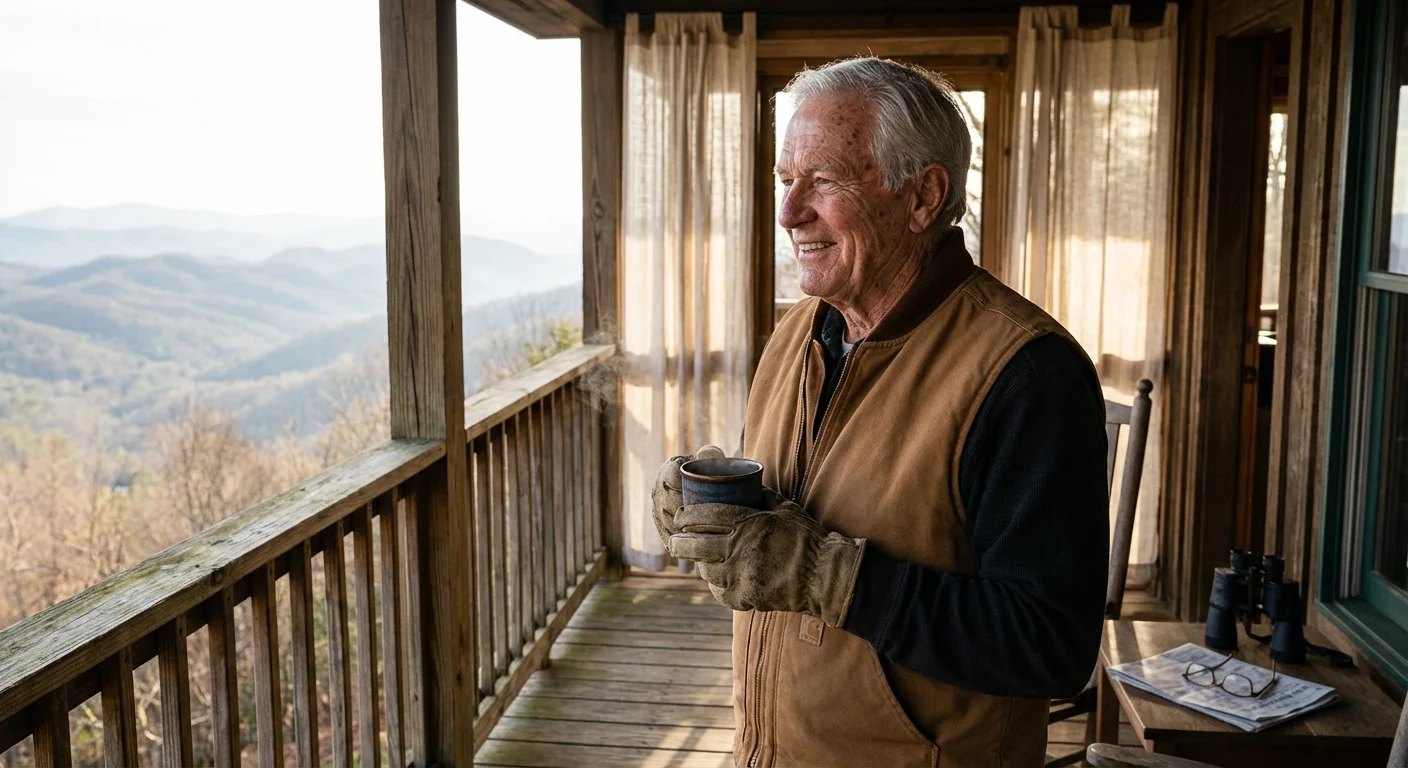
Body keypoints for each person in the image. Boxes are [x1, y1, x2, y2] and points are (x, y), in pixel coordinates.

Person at [652, 57, 1110, 768]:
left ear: (923, 196)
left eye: (824, 179)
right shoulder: (800, 330)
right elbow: (807, 515)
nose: (788, 212)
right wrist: (714, 508)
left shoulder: (1027, 374)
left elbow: (1048, 647)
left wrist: (830, 578)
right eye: (785, 181)